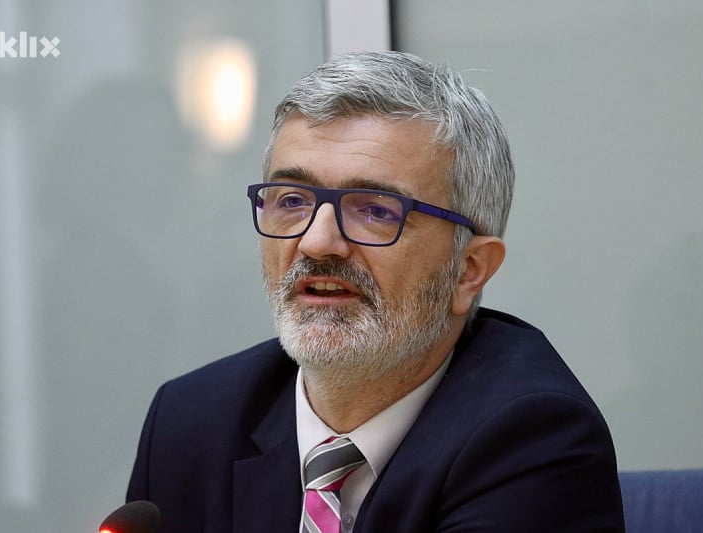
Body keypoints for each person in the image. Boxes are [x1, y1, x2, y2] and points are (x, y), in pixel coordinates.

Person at [126, 51, 625, 532]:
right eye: (293, 201)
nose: (317, 242)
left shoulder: (534, 437)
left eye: (376, 211)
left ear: (469, 270)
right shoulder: (192, 419)